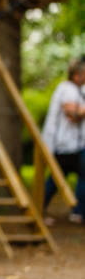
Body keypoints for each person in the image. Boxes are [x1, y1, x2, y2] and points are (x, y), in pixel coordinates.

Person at [42, 58, 85, 224]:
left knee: (56, 178)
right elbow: (71, 114)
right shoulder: (67, 89)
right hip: (64, 145)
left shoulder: (77, 90)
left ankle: (77, 211)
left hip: (72, 145)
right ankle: (78, 212)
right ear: (76, 75)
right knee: (62, 177)